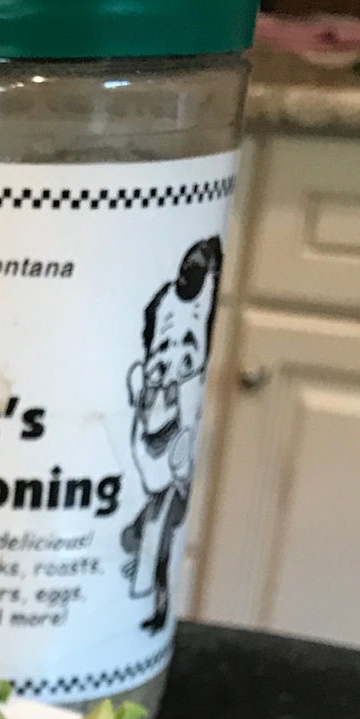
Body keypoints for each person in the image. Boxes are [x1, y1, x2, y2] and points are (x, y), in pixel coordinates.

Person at [121, 236, 224, 635]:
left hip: (168, 493)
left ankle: (153, 609)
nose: (170, 363)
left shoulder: (183, 398)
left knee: (157, 553)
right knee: (140, 541)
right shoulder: (149, 389)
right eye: (162, 349)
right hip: (156, 488)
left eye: (187, 351)